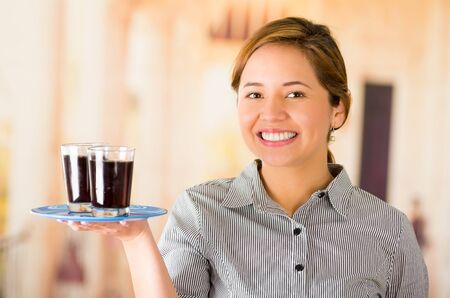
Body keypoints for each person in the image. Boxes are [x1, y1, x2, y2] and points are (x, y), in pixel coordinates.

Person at [63, 17, 428, 297]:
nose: (271, 113)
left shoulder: (390, 233)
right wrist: (136, 237)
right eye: (254, 95)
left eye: (295, 94)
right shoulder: (199, 212)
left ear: (338, 109)